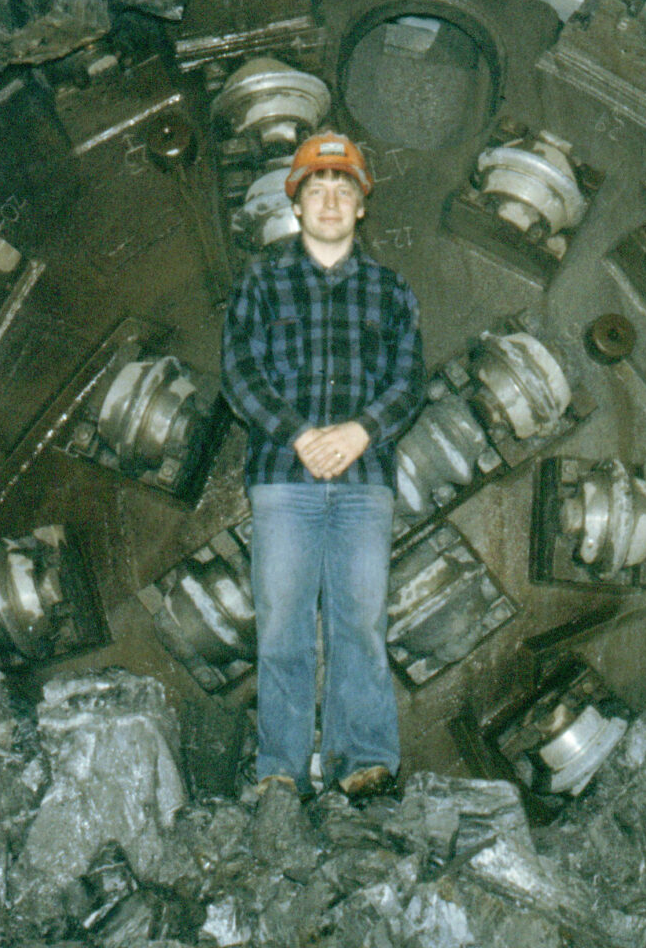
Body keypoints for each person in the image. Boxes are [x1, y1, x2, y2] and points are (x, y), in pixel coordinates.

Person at [220, 131, 426, 799]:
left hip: (364, 486)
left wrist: (362, 431)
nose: (330, 200)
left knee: (359, 623)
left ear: (361, 205)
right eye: (317, 189)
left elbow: (409, 378)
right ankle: (279, 770)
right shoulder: (260, 282)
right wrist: (300, 434)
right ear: (297, 202)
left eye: (343, 189)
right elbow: (239, 375)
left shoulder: (390, 290)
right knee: (281, 625)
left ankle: (362, 759)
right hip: (284, 480)